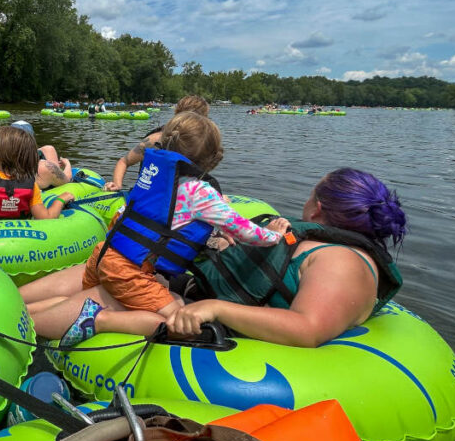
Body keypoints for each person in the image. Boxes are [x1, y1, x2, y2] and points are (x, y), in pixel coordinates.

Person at [21, 112, 288, 346]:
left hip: (106, 252)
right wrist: (273, 234)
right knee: (181, 318)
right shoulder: (200, 192)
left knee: (80, 297)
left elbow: (124, 217)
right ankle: (99, 320)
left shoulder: (153, 178)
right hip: (128, 269)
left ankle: (19, 312)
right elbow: (244, 230)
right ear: (209, 161)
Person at [166, 168, 407, 347]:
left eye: (310, 196)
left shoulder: (342, 262)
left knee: (135, 303)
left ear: (317, 208)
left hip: (223, 323)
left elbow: (307, 328)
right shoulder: (319, 242)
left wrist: (214, 308)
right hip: (206, 291)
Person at [105, 95, 211, 191]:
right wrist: (117, 185)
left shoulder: (202, 142)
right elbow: (123, 162)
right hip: (152, 197)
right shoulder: (156, 139)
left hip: (183, 195)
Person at [9, 120, 73, 190]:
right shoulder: (44, 168)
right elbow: (67, 180)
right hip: (45, 174)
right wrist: (67, 164)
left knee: (47, 149)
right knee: (49, 149)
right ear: (32, 141)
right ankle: (56, 169)